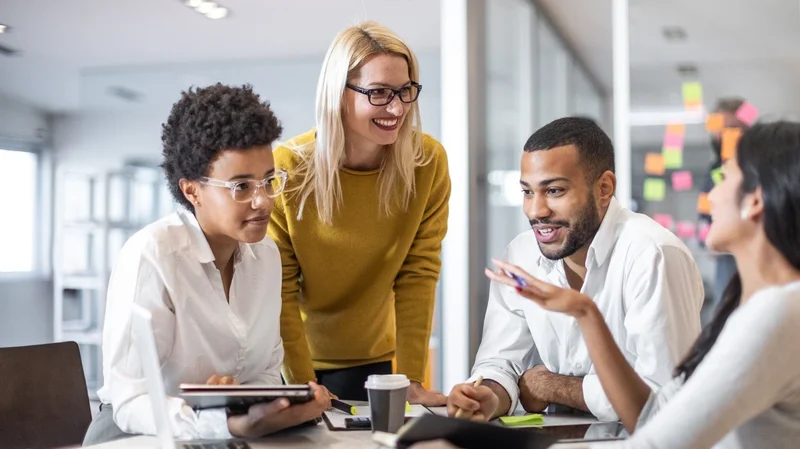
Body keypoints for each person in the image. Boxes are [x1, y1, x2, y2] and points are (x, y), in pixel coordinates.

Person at [489, 121, 800, 448]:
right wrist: (585, 312)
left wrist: (553, 389)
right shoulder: (760, 307)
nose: (709, 195)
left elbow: (663, 444)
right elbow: (655, 417)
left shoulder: (776, 314)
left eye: (724, 178)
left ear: (755, 200)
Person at [82, 84, 330, 445]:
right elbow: (131, 399)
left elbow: (264, 371)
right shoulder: (152, 254)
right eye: (241, 186)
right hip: (136, 436)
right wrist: (224, 421)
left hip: (220, 436)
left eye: (268, 181)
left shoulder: (267, 257)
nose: (262, 201)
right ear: (191, 191)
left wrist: (271, 405)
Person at [447, 117, 704, 422]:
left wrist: (552, 386)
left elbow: (665, 402)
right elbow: (500, 363)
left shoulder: (653, 255)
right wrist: (487, 395)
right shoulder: (522, 253)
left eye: (554, 191)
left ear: (604, 188)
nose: (536, 211)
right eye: (527, 192)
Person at [268, 22, 450, 404]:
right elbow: (279, 288)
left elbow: (419, 273)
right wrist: (304, 384)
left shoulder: (426, 162)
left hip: (376, 365)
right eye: (379, 93)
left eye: (404, 91)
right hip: (293, 363)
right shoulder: (287, 167)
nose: (397, 107)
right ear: (339, 95)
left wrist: (411, 378)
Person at [699, 97, 750, 324]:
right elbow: (703, 224)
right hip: (726, 263)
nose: (727, 134)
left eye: (734, 128)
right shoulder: (712, 173)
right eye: (723, 129)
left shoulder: (757, 170)